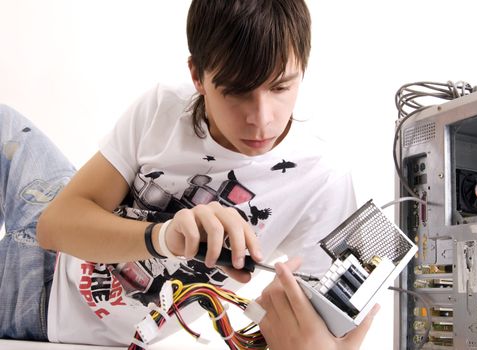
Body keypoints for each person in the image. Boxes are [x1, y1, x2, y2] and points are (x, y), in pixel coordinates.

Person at [0, 0, 377, 348]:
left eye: (281, 87)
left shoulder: (323, 182)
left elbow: (324, 332)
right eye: (236, 92)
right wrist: (164, 237)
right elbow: (53, 226)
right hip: (54, 220)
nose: (262, 119)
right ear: (197, 75)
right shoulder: (165, 106)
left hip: (38, 304)